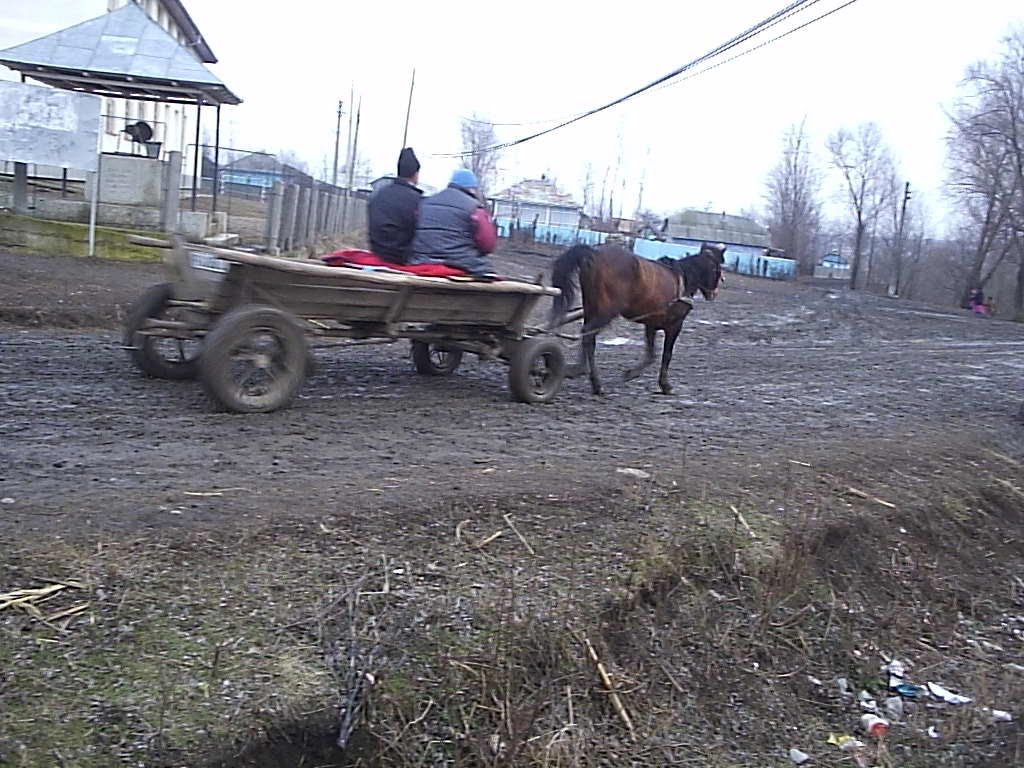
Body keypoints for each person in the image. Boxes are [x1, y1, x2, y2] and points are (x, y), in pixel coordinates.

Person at [411, 169, 498, 278]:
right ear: (472, 188)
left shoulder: (425, 203)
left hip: (420, 261)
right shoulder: (474, 208)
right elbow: (487, 244)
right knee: (488, 273)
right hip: (461, 263)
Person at [367, 147, 422, 263]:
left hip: (378, 252)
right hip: (402, 256)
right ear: (416, 174)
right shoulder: (417, 200)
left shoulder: (378, 195)